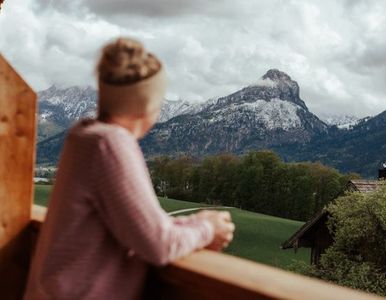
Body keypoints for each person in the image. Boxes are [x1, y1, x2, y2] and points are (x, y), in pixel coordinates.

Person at [24, 37, 235, 300]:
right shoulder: (110, 144)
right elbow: (157, 245)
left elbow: (136, 226)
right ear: (150, 106)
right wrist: (209, 229)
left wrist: (195, 221)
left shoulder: (83, 136)